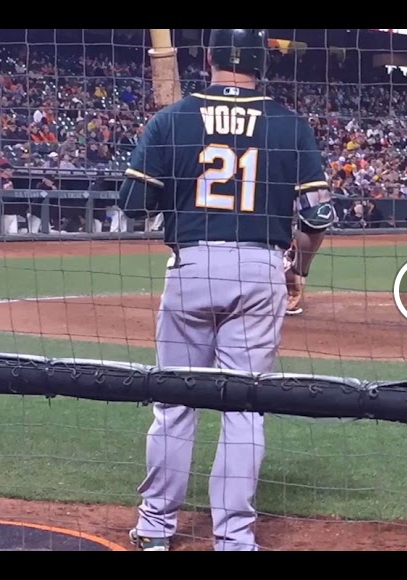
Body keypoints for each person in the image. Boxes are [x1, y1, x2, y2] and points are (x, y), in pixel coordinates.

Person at [115, 28, 334, 551]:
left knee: (173, 403)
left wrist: (175, 177)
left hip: (191, 266)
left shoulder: (173, 119)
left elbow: (133, 203)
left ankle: (155, 528)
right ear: (262, 62)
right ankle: (234, 539)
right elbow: (317, 217)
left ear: (209, 56)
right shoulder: (290, 124)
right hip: (261, 269)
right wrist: (298, 269)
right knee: (245, 408)